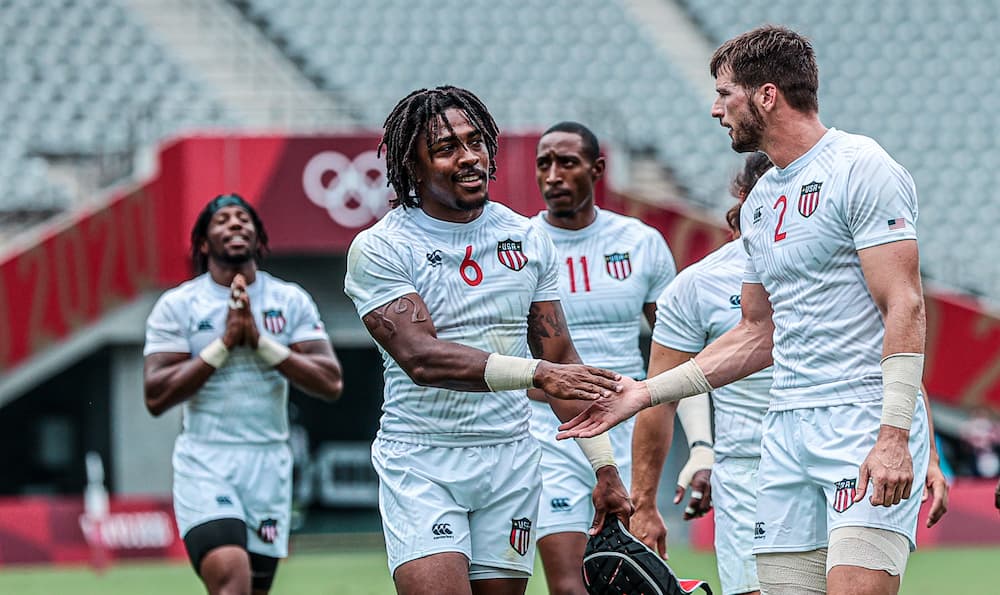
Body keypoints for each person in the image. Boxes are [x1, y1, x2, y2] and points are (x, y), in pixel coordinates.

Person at [559, 25, 933, 595]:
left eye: (724, 92)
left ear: (765, 95)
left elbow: (904, 303)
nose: (714, 109)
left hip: (858, 422)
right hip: (783, 432)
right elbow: (757, 334)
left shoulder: (862, 166)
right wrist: (646, 391)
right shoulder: (760, 201)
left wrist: (893, 436)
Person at [343, 86, 633, 595]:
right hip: (422, 459)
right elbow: (421, 358)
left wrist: (605, 466)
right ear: (413, 164)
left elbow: (560, 356)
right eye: (447, 147)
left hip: (511, 460)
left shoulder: (526, 237)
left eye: (475, 141)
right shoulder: (381, 247)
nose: (470, 156)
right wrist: (536, 374)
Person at [630, 154, 951, 595]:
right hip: (748, 468)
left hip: (847, 442)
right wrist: (649, 496)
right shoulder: (697, 285)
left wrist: (924, 452)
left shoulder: (843, 267)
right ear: (747, 203)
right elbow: (671, 390)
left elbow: (896, 351)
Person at [143, 194, 344, 595]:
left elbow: (330, 382)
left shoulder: (289, 300)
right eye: (222, 220)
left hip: (269, 462)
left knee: (253, 589)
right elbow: (156, 395)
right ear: (203, 242)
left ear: (258, 236)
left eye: (244, 219)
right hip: (206, 459)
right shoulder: (179, 305)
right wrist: (224, 345)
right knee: (231, 578)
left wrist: (260, 343)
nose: (235, 224)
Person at [527, 121, 676, 595]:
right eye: (544, 163)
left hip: (627, 428)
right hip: (549, 431)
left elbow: (675, 344)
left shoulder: (641, 242)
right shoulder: (519, 246)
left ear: (598, 169)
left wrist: (701, 445)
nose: (553, 174)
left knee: (629, 585)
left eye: (566, 162)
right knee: (572, 586)